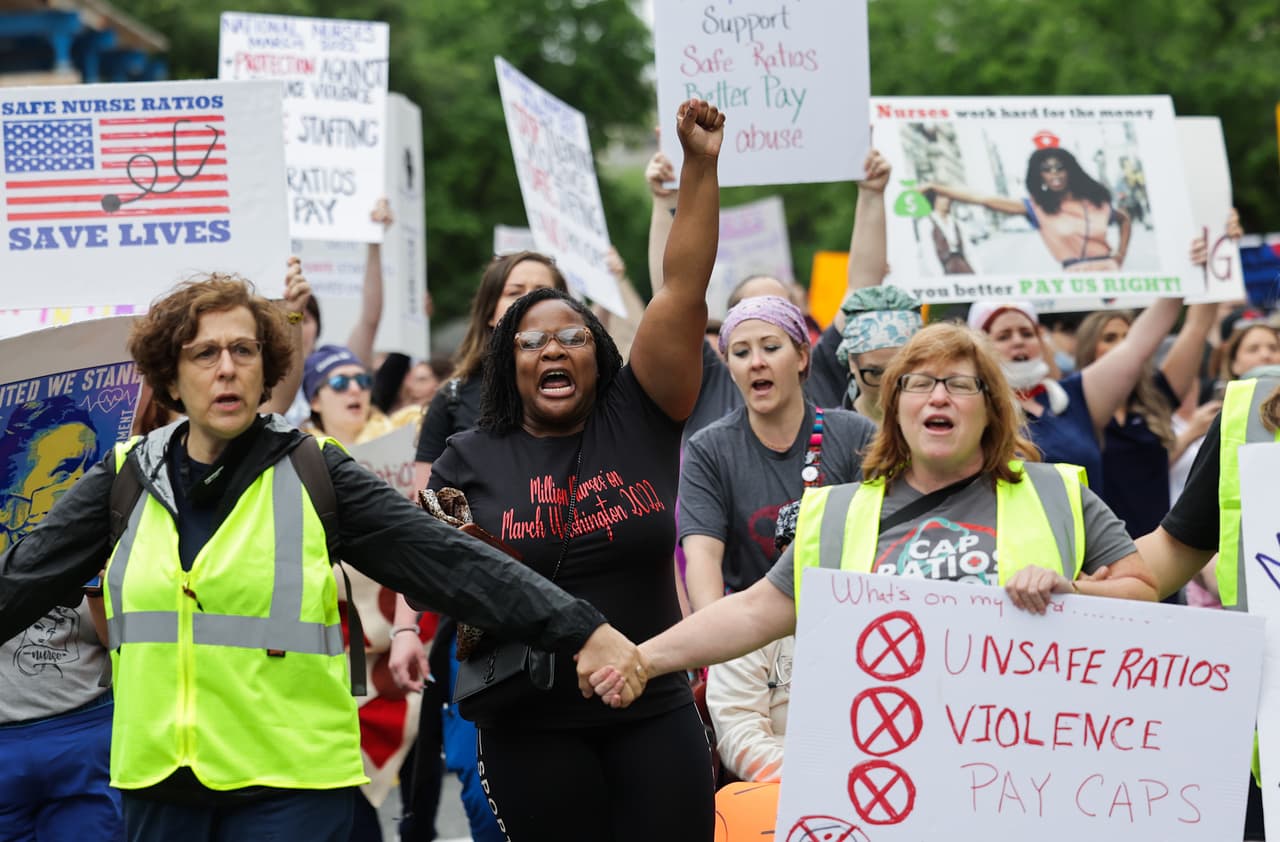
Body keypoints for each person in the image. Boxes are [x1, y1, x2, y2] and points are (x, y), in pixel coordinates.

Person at [0, 275, 640, 842]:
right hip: (158, 791)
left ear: (268, 369)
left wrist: (580, 627)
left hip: (291, 791)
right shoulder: (124, 480)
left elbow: (452, 563)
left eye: (243, 350)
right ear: (169, 376)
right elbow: (18, 585)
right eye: (204, 353)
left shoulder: (313, 471)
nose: (226, 368)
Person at [426, 98, 726, 841]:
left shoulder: (642, 411)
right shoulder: (467, 459)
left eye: (572, 336)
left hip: (654, 709)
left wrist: (700, 167)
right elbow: (444, 579)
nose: (554, 350)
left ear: (602, 352)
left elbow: (682, 290)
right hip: (530, 727)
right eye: (532, 342)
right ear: (506, 363)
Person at [587, 322, 1158, 710]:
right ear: (894, 409)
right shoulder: (838, 512)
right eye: (918, 384)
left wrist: (1073, 593)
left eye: (959, 384)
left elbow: (1144, 593)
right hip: (885, 763)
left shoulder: (1055, 492)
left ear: (990, 409)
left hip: (1015, 762)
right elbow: (755, 610)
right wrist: (642, 658)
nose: (938, 398)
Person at [397, 249, 567, 842]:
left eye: (540, 291)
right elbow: (417, 531)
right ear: (492, 310)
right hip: (481, 632)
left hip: (576, 622)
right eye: (513, 290)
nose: (525, 302)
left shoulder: (598, 400)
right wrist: (402, 629)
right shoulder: (450, 401)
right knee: (482, 793)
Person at [679, 295, 877, 612]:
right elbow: (702, 559)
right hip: (751, 634)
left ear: (801, 356)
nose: (756, 362)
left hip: (847, 616)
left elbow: (885, 542)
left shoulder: (857, 434)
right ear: (730, 368)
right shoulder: (707, 451)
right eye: (741, 353)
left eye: (771, 348)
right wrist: (718, 650)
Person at [0, 397, 121, 841]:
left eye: (87, 466)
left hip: (84, 731)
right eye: (62, 469)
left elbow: (118, 642)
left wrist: (103, 580)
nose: (78, 482)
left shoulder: (104, 522)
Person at [967, 294, 1183, 494]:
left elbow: (1136, 346)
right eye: (1004, 336)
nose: (1018, 341)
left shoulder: (1074, 396)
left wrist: (1181, 278)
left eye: (1027, 333)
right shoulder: (977, 409)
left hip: (1085, 534)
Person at [1072, 300, 1214, 538]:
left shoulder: (1155, 398)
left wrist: (1211, 277)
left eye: (1129, 338)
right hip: (1101, 550)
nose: (1123, 347)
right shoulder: (1071, 405)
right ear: (1088, 349)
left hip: (1157, 545)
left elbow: (1197, 328)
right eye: (1110, 338)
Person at [923, 145, 1132, 272]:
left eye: (1060, 168)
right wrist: (936, 187)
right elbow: (984, 199)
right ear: (1039, 175)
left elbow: (1124, 219)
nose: (1055, 174)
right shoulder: (1038, 207)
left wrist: (1120, 254)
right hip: (1075, 278)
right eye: (1047, 170)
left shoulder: (1095, 203)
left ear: (1070, 170)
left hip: (1110, 274)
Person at [304, 344, 419, 448]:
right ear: (315, 402)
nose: (355, 389)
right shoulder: (301, 456)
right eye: (340, 382)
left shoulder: (409, 432)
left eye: (363, 380)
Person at [921, 188, 976, 274]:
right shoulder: (926, 223)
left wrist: (978, 272)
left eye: (948, 197)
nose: (947, 200)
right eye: (942, 197)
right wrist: (940, 278)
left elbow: (969, 250)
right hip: (945, 270)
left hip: (964, 267)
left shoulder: (957, 222)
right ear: (934, 200)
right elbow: (929, 254)